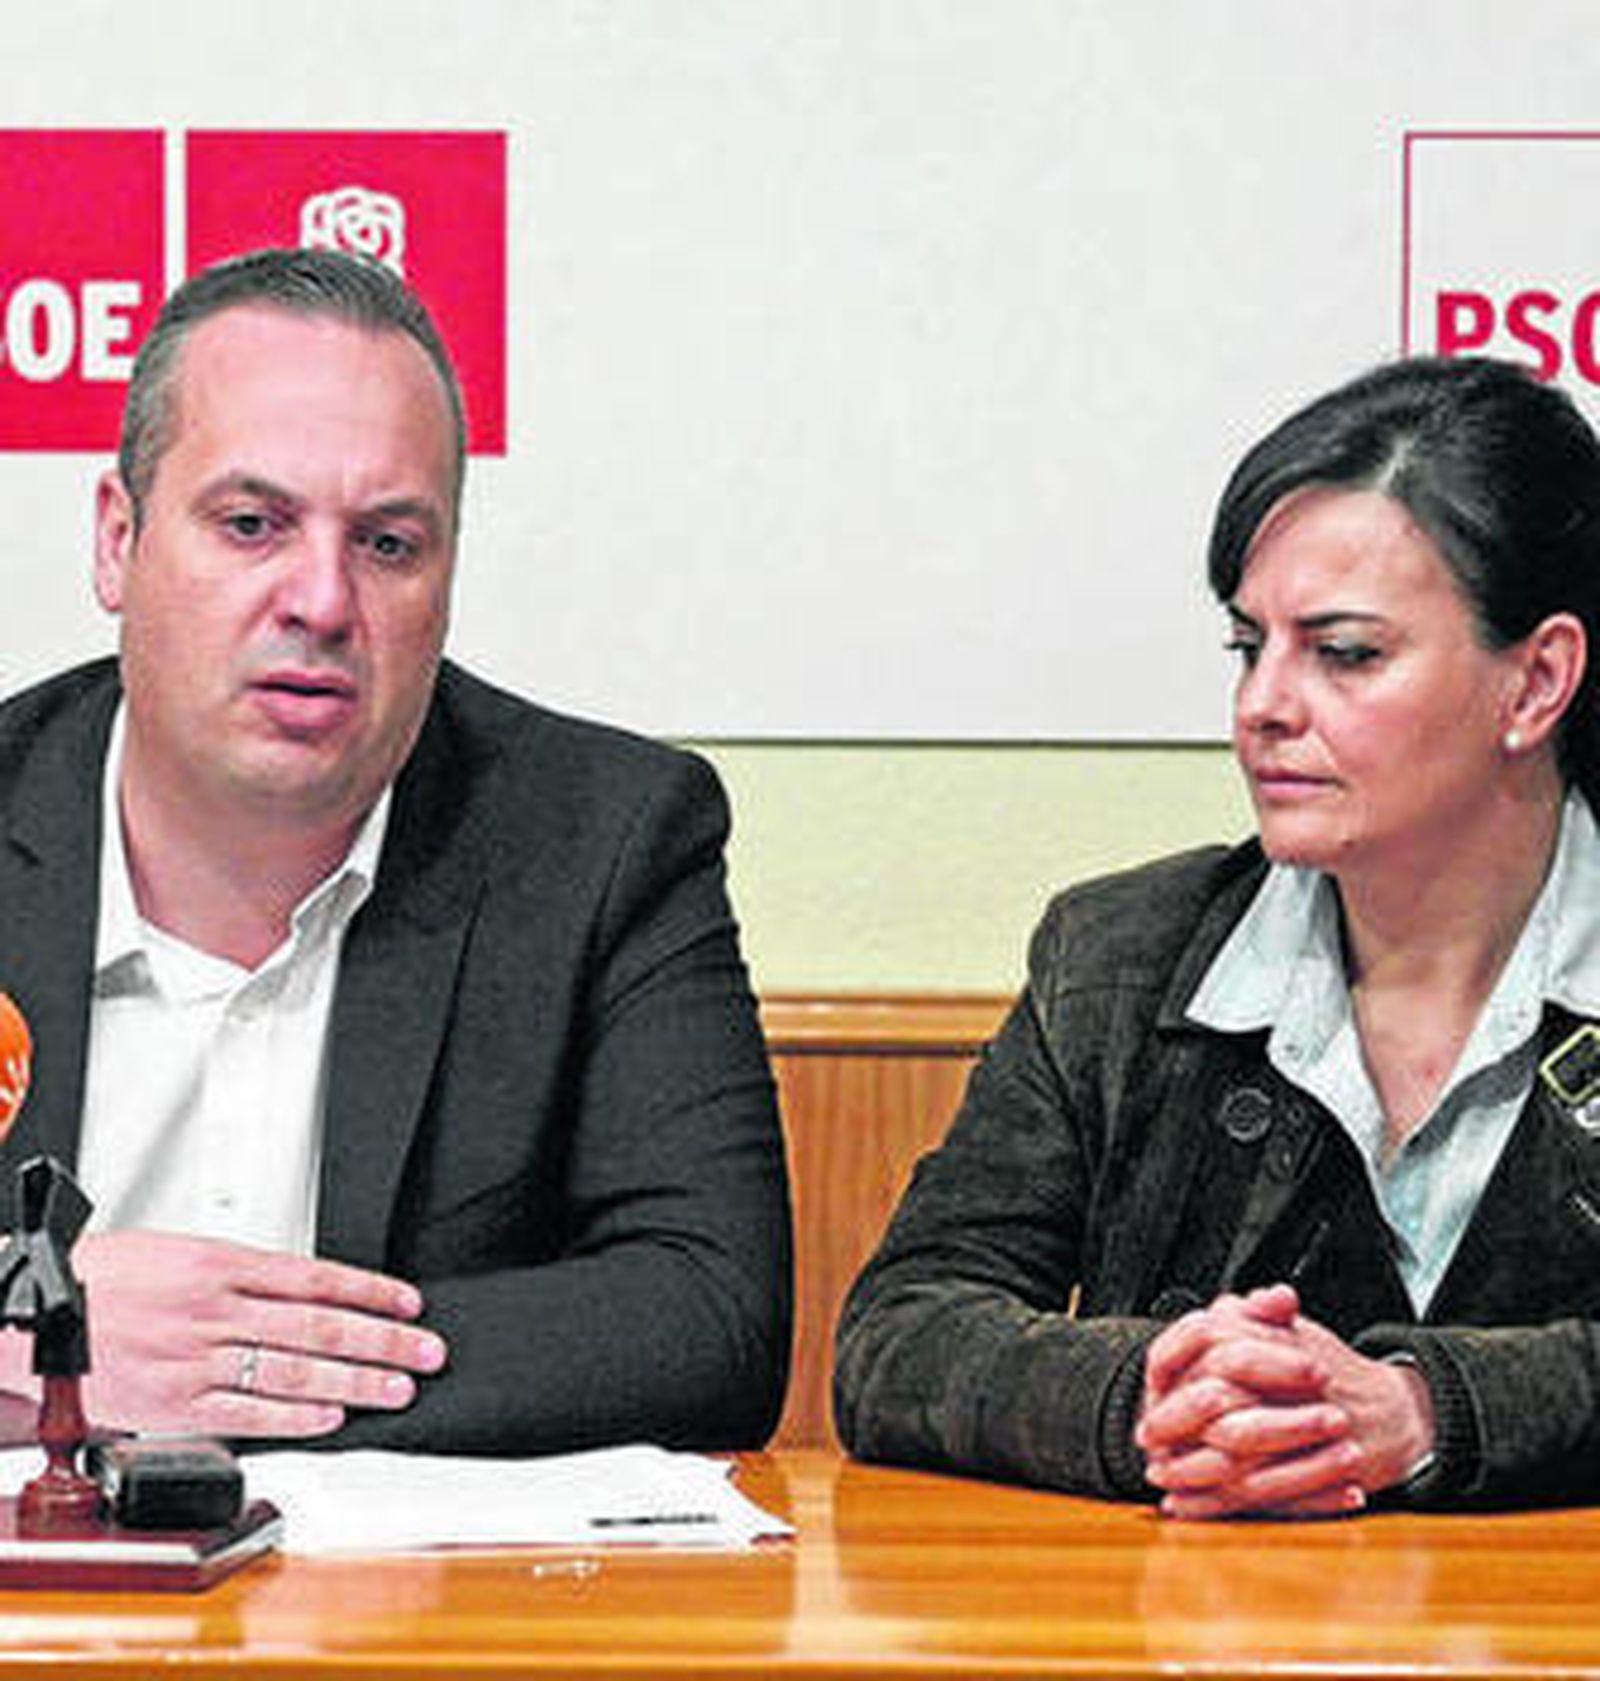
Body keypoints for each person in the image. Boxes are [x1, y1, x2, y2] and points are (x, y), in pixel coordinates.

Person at [0, 246, 792, 1455]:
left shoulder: (605, 838)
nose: (320, 600)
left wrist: (229, 1373)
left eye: (386, 544)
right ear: (119, 541)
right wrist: (41, 1347)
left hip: (403, 1625)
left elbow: (708, 1320)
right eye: (252, 524)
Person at [836, 354, 1600, 1516]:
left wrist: (1428, 1410)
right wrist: (1152, 1392)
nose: (1262, 705)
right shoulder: (1117, 954)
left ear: (1536, 682)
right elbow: (901, 1334)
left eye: (1343, 653)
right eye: (1251, 648)